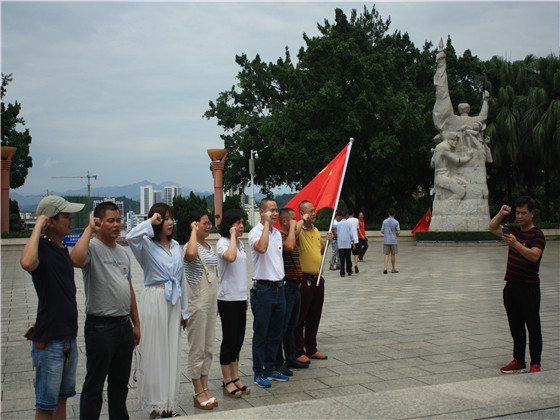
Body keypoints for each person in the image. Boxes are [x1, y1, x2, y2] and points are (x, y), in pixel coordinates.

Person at [71, 202, 140, 420]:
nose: (116, 224)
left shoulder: (122, 252)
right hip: (100, 328)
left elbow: (129, 289)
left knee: (119, 386)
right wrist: (88, 230)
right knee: (95, 385)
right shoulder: (91, 247)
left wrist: (136, 324)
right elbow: (76, 259)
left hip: (123, 328)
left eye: (118, 220)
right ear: (99, 222)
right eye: (110, 220)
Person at [20, 195, 84, 420]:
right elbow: (27, 263)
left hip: (68, 338)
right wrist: (38, 226)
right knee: (46, 404)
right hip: (51, 342)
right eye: (65, 216)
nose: (69, 220)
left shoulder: (61, 249)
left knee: (61, 399)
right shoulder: (43, 249)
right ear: (51, 221)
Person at [126, 203, 189, 419]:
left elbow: (181, 280)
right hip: (154, 299)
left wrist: (185, 311)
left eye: (172, 218)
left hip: (173, 302)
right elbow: (130, 237)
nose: (170, 223)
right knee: (154, 353)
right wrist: (149, 223)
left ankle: (168, 405)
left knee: (171, 352)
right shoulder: (145, 245)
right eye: (165, 218)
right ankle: (155, 406)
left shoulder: (177, 246)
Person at [489, 196, 546, 374]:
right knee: (516, 326)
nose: (520, 216)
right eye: (518, 213)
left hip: (529, 287)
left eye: (524, 213)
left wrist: (516, 244)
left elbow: (534, 256)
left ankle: (535, 362)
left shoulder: (537, 235)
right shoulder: (512, 230)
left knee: (533, 326)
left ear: (532, 214)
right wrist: (501, 214)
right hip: (511, 286)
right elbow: (492, 228)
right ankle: (518, 360)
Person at [248, 198, 290, 388]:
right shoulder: (255, 232)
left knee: (276, 332)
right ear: (262, 211)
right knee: (261, 333)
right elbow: (262, 248)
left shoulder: (277, 234)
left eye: (276, 210)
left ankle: (271, 368)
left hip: (280, 288)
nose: (275, 213)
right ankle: (258, 372)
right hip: (264, 289)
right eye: (271, 210)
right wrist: (266, 225)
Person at [183, 210, 220, 410]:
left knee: (208, 347)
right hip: (197, 302)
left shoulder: (208, 246)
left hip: (211, 301)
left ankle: (205, 386)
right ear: (194, 225)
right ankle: (197, 390)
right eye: (203, 223)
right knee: (197, 347)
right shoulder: (191, 246)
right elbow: (190, 256)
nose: (208, 226)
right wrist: (192, 232)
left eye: (208, 223)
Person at [216, 209, 251, 399]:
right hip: (227, 298)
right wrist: (230, 236)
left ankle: (235, 376)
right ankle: (227, 379)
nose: (241, 226)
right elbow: (230, 258)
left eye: (242, 223)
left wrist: (245, 296)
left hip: (239, 298)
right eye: (237, 223)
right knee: (229, 339)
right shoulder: (223, 243)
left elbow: (240, 272)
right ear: (229, 225)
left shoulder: (240, 243)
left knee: (238, 338)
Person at [295, 200, 333, 363]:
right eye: (310, 211)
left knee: (314, 316)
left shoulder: (316, 230)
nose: (314, 213)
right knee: (300, 317)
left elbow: (319, 251)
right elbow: (294, 233)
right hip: (304, 279)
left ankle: (312, 348)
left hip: (318, 278)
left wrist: (327, 242)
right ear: (302, 213)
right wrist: (302, 220)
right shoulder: (298, 231)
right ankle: (298, 350)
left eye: (314, 210)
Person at [276, 208, 309, 373]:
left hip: (296, 286)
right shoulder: (280, 238)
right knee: (283, 325)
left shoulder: (291, 237)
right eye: (293, 219)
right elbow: (288, 246)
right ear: (284, 221)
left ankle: (290, 358)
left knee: (291, 325)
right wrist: (300, 221)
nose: (296, 221)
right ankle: (279, 361)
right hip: (287, 285)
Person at [337, 211, 357, 277]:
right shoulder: (349, 223)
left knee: (342, 259)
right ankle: (349, 271)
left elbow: (338, 233)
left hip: (340, 244)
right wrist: (353, 242)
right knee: (348, 258)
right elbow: (351, 233)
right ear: (346, 216)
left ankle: (342, 272)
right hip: (347, 243)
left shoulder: (338, 224)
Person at [381, 208, 400, 274]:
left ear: (388, 213)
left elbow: (382, 231)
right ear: (394, 214)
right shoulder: (396, 222)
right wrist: (395, 234)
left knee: (386, 254)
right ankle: (393, 268)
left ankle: (385, 268)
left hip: (386, 240)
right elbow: (398, 232)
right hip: (393, 240)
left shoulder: (384, 221)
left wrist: (386, 233)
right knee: (393, 254)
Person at [347, 209, 361, 273]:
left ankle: (350, 266)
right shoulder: (356, 220)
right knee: (356, 253)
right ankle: (355, 264)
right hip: (355, 239)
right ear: (353, 214)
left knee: (348, 254)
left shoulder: (346, 221)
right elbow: (358, 229)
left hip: (349, 240)